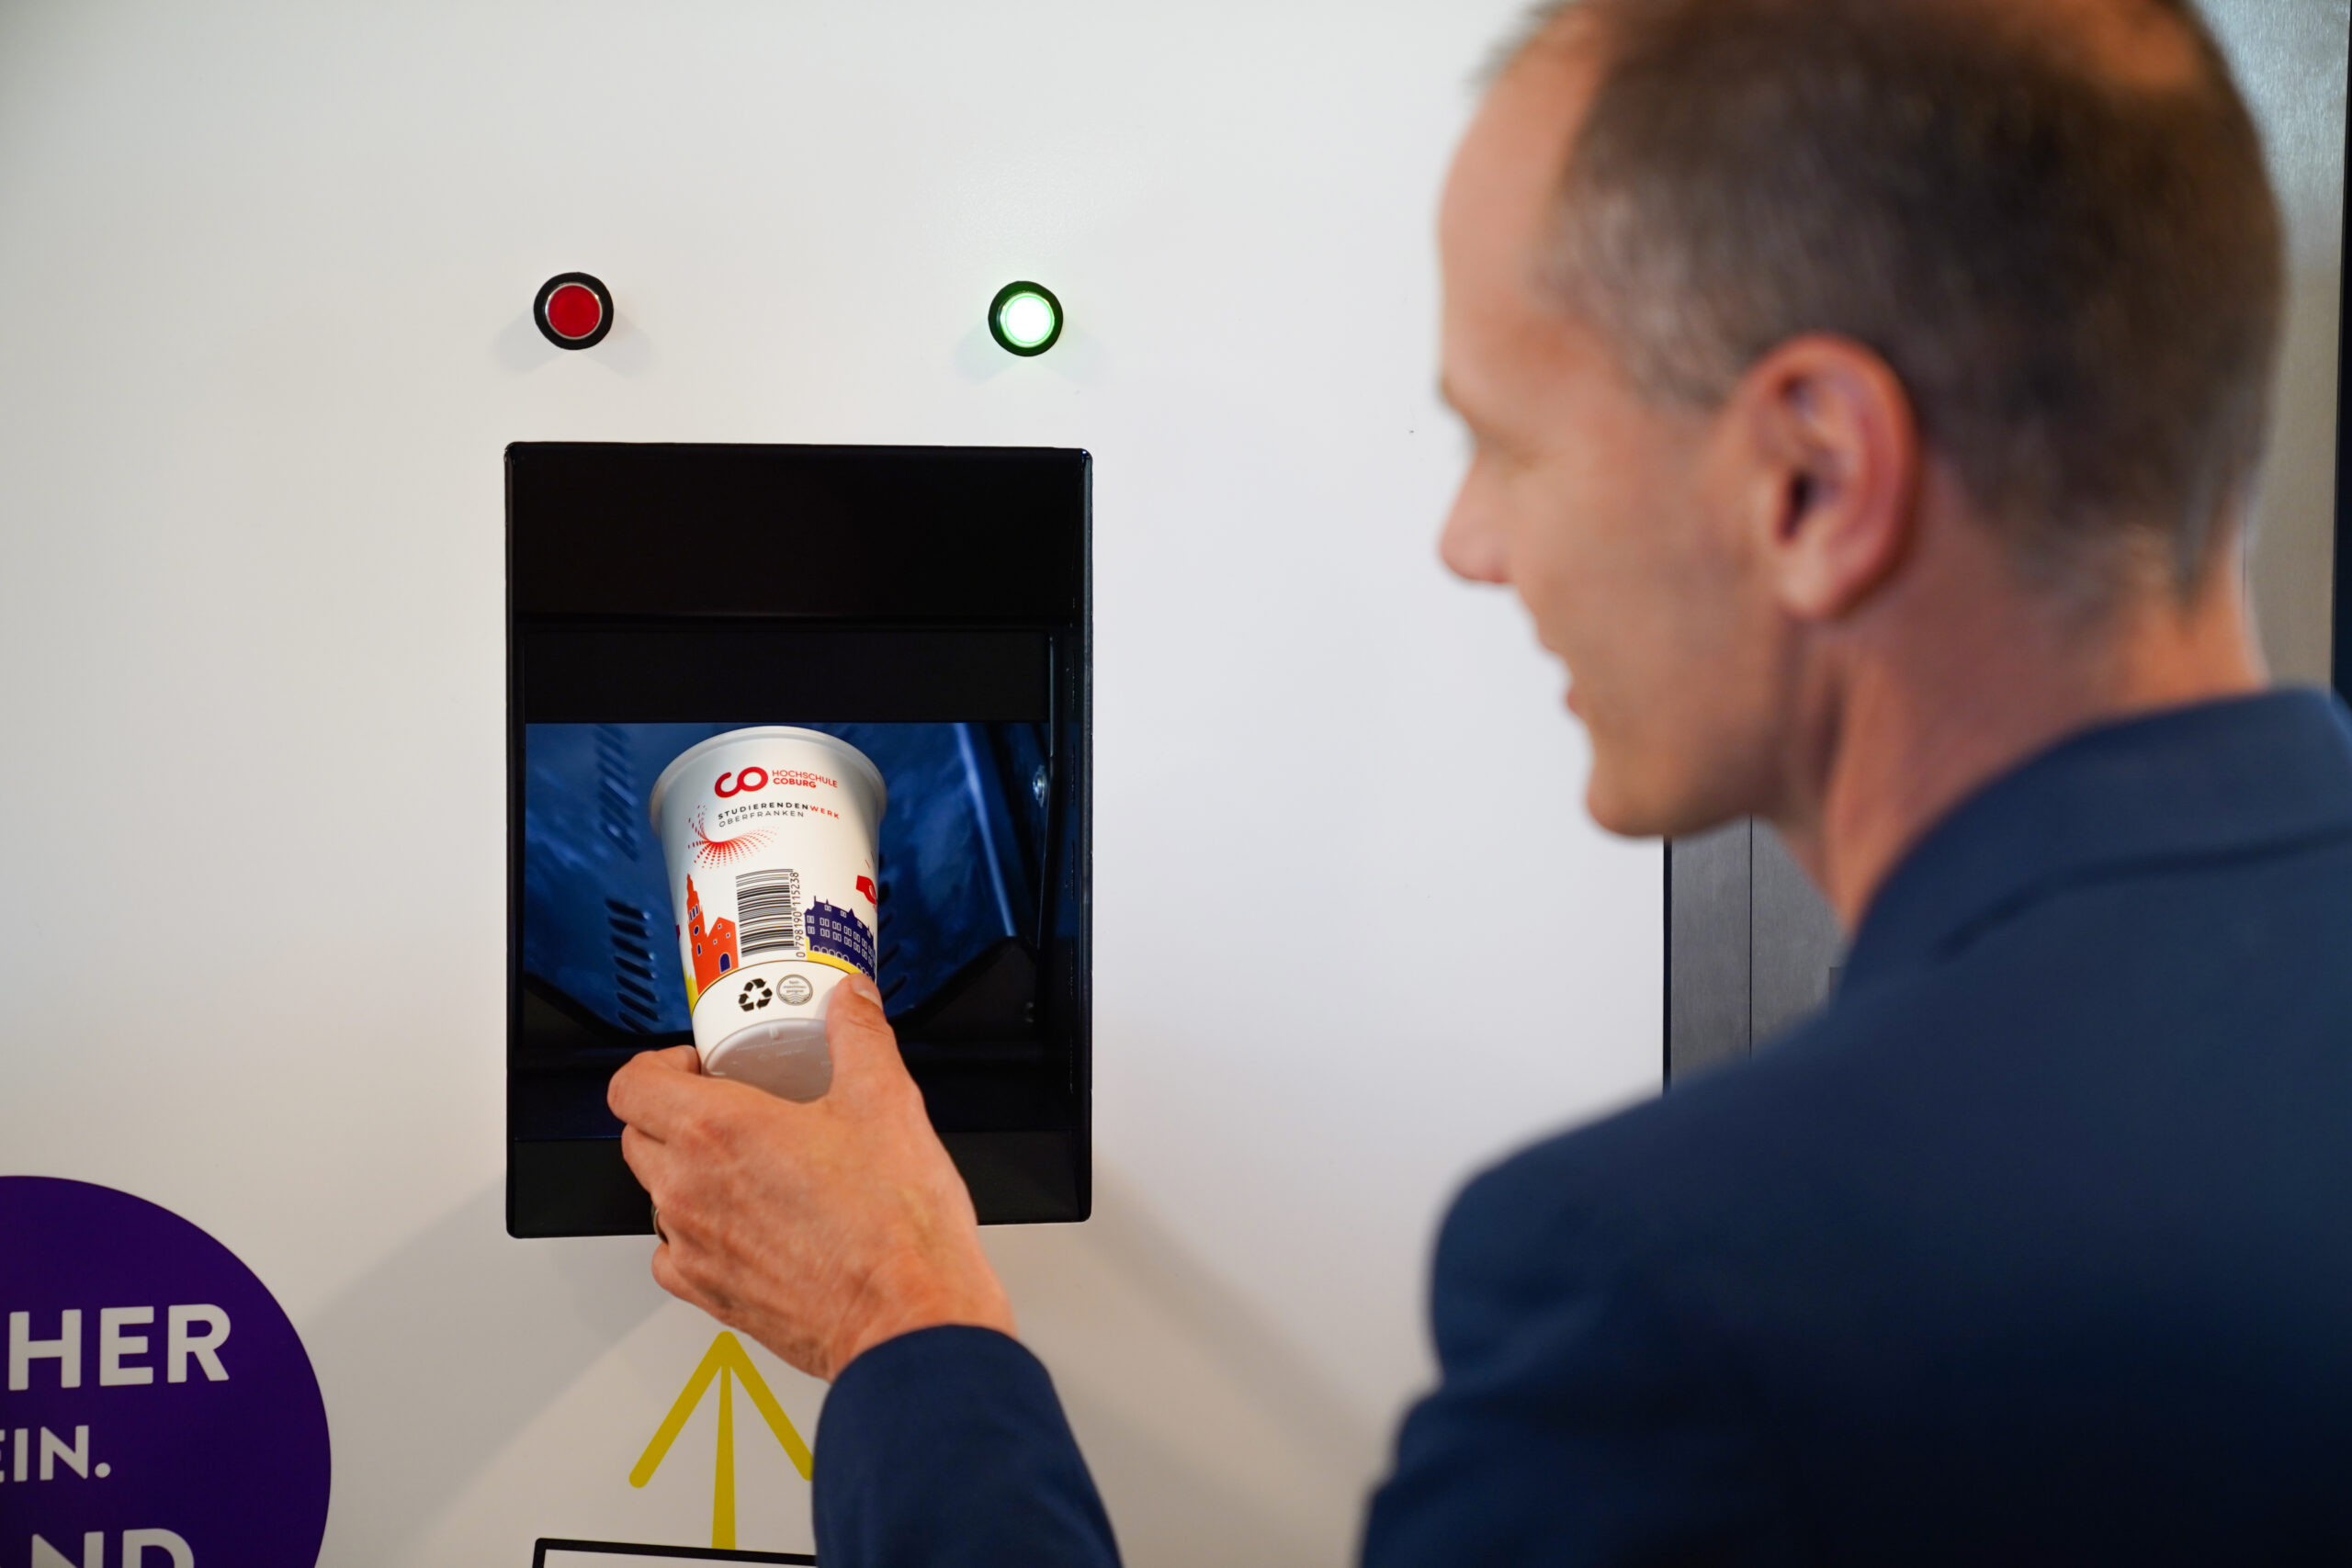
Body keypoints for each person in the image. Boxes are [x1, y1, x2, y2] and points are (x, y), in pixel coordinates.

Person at [611, 0, 2352, 1559]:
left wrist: (901, 1317)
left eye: (1507, 442)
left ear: (1814, 478)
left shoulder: (1688, 1296)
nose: (1469, 544)